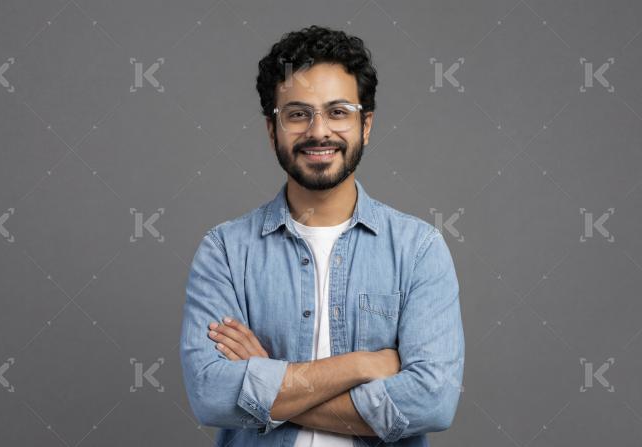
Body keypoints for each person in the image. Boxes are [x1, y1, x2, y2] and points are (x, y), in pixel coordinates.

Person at [179, 25, 464, 447]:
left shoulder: (418, 250)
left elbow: (433, 402)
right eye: (298, 114)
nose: (318, 132)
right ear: (272, 130)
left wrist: (265, 381)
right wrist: (361, 365)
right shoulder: (225, 251)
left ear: (365, 125)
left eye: (338, 112)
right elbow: (212, 395)